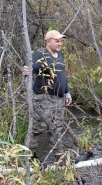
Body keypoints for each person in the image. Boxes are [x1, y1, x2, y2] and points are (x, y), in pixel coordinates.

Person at [23, 30, 72, 164]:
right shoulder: (41, 54)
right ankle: (29, 157)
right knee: (38, 128)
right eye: (57, 41)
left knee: (57, 127)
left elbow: (62, 75)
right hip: (44, 98)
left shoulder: (59, 54)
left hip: (59, 99)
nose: (60, 43)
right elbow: (31, 68)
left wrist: (67, 92)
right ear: (48, 42)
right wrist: (27, 70)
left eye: (60, 41)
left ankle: (59, 157)